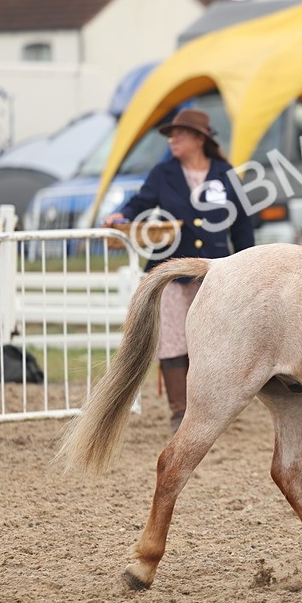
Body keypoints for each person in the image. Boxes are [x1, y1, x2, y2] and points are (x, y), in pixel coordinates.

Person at [104, 108, 255, 431]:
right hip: (171, 269)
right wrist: (121, 215)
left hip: (215, 272)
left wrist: (246, 269)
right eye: (171, 134)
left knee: (215, 342)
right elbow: (140, 203)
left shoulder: (226, 174)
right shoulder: (163, 173)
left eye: (180, 134)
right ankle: (179, 412)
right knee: (172, 339)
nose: (173, 139)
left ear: (199, 139)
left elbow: (242, 225)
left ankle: (214, 410)